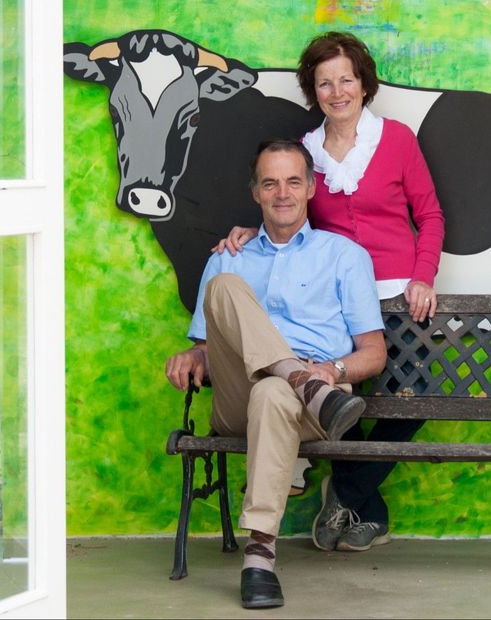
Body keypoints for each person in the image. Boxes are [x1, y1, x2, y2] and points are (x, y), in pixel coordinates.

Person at [214, 31, 445, 553]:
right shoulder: (307, 152)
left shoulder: (398, 139)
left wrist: (423, 276)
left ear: (364, 84)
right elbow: (285, 201)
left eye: (346, 79)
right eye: (324, 82)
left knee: (415, 398)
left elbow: (429, 214)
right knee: (332, 396)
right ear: (312, 90)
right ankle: (367, 508)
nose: (336, 91)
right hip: (337, 298)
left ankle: (345, 491)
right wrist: (252, 232)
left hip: (398, 295)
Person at [166, 140, 386, 609]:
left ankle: (260, 556)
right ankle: (295, 378)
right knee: (226, 284)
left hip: (321, 392)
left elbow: (373, 352)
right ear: (256, 193)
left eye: (292, 181)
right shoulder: (229, 254)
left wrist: (332, 370)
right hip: (238, 398)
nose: (281, 192)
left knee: (272, 392)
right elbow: (208, 351)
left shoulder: (344, 256)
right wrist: (192, 358)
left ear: (309, 188)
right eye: (270, 183)